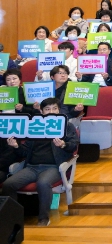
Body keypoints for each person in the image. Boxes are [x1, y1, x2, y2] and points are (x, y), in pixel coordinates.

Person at [1, 97, 79, 227]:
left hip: (54, 167)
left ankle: (43, 219)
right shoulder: (35, 126)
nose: (51, 112)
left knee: (43, 183)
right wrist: (16, 146)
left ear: (59, 110)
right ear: (41, 112)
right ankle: (14, 219)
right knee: (9, 184)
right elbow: (24, 152)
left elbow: (73, 145)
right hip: (32, 167)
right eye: (47, 109)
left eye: (55, 109)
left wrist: (63, 144)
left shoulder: (67, 126)